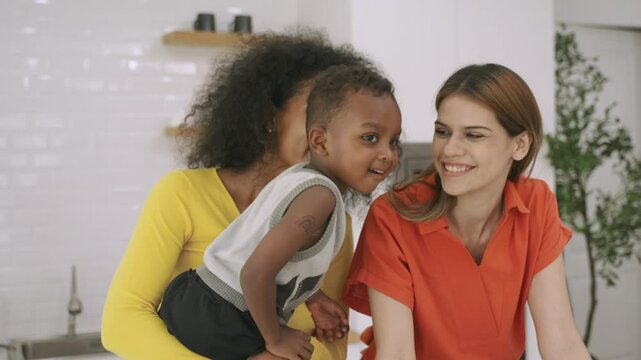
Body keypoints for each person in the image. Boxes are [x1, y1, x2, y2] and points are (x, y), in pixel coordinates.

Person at [101, 30, 376, 360]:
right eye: (314, 112)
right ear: (269, 115)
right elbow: (122, 321)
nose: (326, 133)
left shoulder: (332, 220)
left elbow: (333, 343)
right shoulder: (182, 194)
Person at [343, 63, 591, 359]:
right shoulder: (392, 217)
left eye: (473, 135)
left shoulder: (536, 204)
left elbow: (561, 340)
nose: (449, 150)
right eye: (443, 132)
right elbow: (396, 353)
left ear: (520, 145)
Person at [158, 64, 402, 360]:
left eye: (394, 141)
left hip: (194, 295)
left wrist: (313, 297)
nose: (388, 154)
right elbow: (255, 272)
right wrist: (276, 337)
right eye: (370, 138)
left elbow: (267, 256)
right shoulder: (320, 197)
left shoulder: (298, 178)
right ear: (320, 141)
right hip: (224, 315)